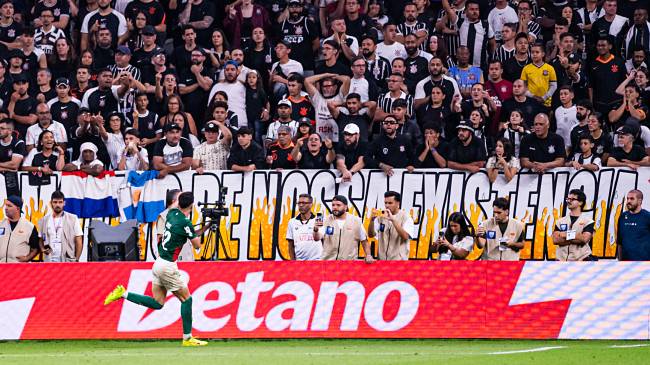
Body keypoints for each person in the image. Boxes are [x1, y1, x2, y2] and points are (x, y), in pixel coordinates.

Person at [104, 192, 212, 346]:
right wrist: (206, 225)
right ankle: (188, 338)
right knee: (187, 299)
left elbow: (188, 230)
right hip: (167, 265)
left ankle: (124, 293)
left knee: (158, 303)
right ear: (191, 206)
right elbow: (196, 245)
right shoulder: (185, 223)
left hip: (158, 263)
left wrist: (207, 226)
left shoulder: (172, 213)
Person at [313, 195, 373, 263]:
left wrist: (368, 255)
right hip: (328, 263)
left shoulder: (356, 221)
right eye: (333, 205)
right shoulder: (326, 220)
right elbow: (317, 238)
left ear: (345, 207)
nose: (335, 207)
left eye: (338, 205)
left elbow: (364, 241)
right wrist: (315, 230)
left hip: (349, 264)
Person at [368, 191, 415, 260]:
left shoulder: (406, 217)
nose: (387, 205)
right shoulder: (381, 216)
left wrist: (393, 220)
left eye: (390, 203)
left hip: (399, 262)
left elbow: (406, 236)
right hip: (382, 260)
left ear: (398, 203)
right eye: (385, 203)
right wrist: (371, 220)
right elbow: (371, 235)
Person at [38, 191, 83, 262]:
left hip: (67, 260)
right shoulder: (44, 220)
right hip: (49, 259)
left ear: (64, 203)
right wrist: (42, 249)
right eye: (55, 202)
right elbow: (40, 239)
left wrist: (76, 259)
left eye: (60, 202)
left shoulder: (73, 218)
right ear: (51, 203)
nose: (57, 205)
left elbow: (79, 239)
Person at [552, 189, 595, 261]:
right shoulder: (560, 221)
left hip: (581, 261)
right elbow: (555, 240)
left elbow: (584, 239)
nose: (569, 201)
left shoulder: (588, 221)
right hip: (561, 261)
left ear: (580, 202)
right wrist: (576, 236)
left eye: (572, 199)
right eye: (568, 199)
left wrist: (565, 235)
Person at [0, 195, 40, 263]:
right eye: (6, 205)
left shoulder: (29, 227)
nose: (6, 208)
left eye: (9, 206)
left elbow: (36, 248)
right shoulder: (1, 224)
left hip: (19, 269)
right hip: (1, 267)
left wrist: (27, 258)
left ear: (18, 209)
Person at [286, 194, 322, 261]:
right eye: (299, 203)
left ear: (311, 204)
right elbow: (290, 244)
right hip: (299, 262)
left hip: (317, 261)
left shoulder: (318, 220)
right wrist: (293, 261)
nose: (301, 205)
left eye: (304, 203)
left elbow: (324, 240)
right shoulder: (292, 222)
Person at [617, 190, 650, 261]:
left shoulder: (647, 217)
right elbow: (620, 242)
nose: (628, 201)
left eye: (632, 199)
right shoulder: (623, 217)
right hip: (625, 263)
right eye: (627, 198)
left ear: (639, 201)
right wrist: (620, 261)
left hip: (644, 263)